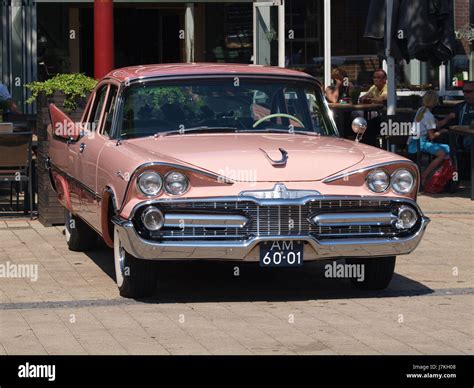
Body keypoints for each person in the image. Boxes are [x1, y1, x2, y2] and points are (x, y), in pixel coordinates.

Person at [407, 90, 455, 184]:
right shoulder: (429, 116)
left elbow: (436, 124)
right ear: (435, 101)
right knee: (442, 153)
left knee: (448, 149)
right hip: (419, 143)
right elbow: (432, 136)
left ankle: (439, 174)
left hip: (412, 141)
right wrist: (442, 131)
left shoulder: (421, 110)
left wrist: (447, 118)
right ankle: (425, 175)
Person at [453, 80, 474, 149]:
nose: (465, 94)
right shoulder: (459, 107)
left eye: (468, 91)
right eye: (463, 91)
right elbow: (452, 124)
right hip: (463, 141)